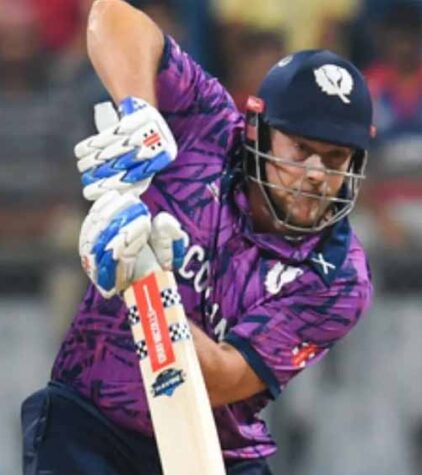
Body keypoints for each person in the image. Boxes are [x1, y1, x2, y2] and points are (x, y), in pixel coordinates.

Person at [20, 0, 374, 474]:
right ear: (258, 130)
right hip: (92, 417)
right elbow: (112, 16)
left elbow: (223, 379)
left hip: (212, 444)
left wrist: (149, 277)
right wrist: (140, 114)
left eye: (334, 158)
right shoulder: (208, 125)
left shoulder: (341, 276)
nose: (315, 174)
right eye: (301, 149)